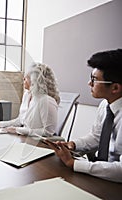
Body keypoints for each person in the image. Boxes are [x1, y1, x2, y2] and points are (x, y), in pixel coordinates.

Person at [46, 49, 122, 183]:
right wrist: (73, 145)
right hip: (101, 173)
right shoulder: (105, 105)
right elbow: (97, 137)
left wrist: (73, 163)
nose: (89, 84)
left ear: (115, 88)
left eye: (94, 80)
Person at [0, 63, 60, 137]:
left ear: (35, 81)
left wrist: (18, 130)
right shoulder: (27, 95)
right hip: (26, 139)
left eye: (27, 77)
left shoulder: (46, 101)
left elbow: (48, 132)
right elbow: (20, 120)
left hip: (39, 144)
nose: (23, 79)